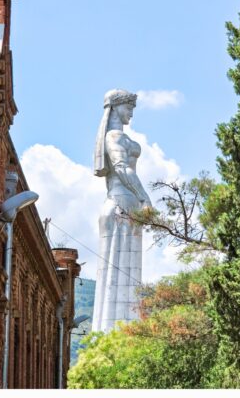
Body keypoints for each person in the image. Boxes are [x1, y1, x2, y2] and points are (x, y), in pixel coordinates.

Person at [91, 89, 149, 333]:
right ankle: (115, 336)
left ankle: (127, 334)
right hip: (121, 205)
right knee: (116, 274)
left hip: (126, 205)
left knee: (127, 275)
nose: (131, 114)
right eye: (128, 108)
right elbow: (122, 167)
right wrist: (144, 197)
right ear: (115, 108)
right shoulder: (114, 137)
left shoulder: (118, 136)